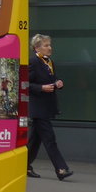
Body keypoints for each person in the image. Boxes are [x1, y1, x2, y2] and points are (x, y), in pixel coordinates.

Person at [28, 33, 72, 181]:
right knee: (49, 139)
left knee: (35, 140)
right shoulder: (33, 62)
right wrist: (41, 88)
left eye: (49, 45)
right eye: (46, 45)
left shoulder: (49, 62)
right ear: (37, 48)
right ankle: (61, 169)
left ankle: (24, 165)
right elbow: (25, 84)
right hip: (38, 108)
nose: (49, 48)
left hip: (46, 107)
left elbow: (52, 79)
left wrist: (58, 83)